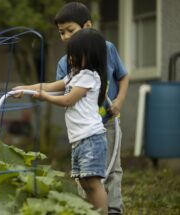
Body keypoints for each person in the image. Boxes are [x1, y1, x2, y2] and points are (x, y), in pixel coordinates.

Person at [13, 28, 108, 215]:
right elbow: (48, 86)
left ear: (89, 55)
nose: (70, 59)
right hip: (79, 140)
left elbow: (67, 100)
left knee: (94, 183)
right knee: (84, 182)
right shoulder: (74, 76)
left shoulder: (89, 76)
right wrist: (25, 88)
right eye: (70, 54)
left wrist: (44, 97)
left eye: (74, 55)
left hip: (91, 138)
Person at [53, 2, 129, 215]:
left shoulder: (108, 49)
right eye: (61, 33)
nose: (66, 37)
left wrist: (119, 101)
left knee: (112, 168)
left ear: (87, 26)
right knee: (86, 173)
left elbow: (123, 77)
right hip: (84, 130)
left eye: (70, 30)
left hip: (108, 123)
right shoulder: (65, 62)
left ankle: (113, 209)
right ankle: (88, 210)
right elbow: (65, 93)